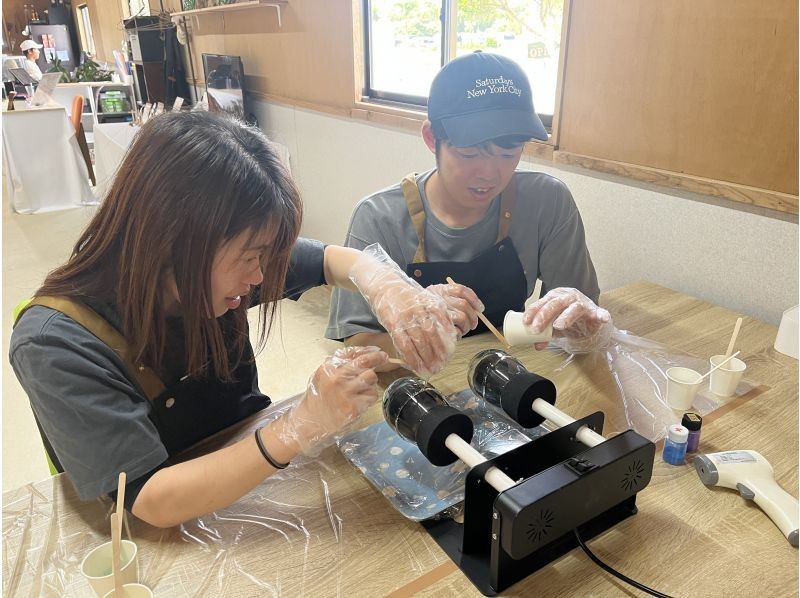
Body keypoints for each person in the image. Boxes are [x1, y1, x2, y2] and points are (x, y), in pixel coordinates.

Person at [10, 111, 463, 528]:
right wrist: (299, 426)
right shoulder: (56, 344)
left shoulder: (214, 267)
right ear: (173, 239)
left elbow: (332, 260)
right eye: (250, 257)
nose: (261, 276)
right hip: (163, 526)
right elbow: (151, 499)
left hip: (250, 472)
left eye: (266, 255)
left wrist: (391, 289)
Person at [327, 51, 611, 359]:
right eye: (470, 153)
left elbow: (580, 322)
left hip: (507, 370)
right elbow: (357, 344)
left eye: (508, 154)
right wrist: (423, 335)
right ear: (432, 138)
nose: (489, 174)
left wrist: (579, 319)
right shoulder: (379, 218)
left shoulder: (548, 201)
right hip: (416, 381)